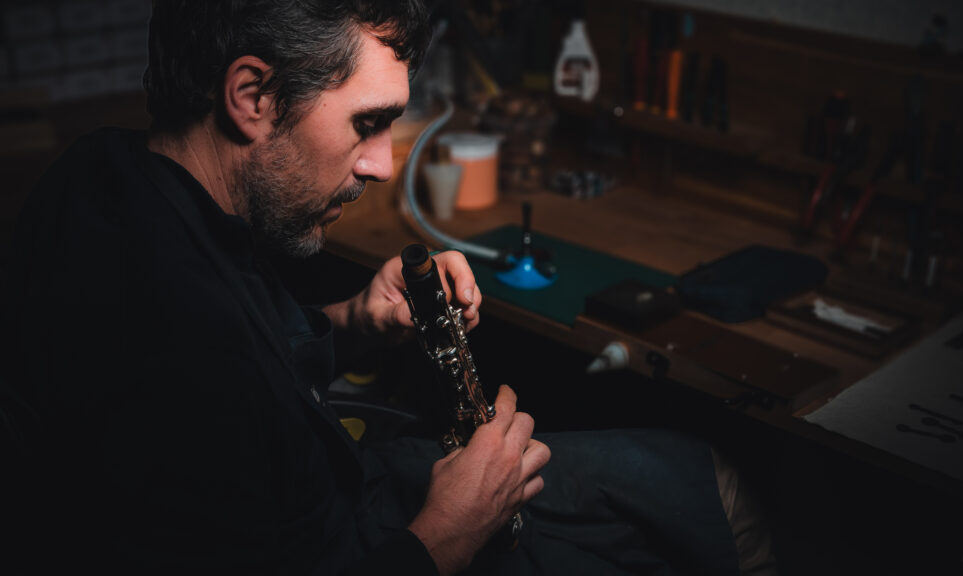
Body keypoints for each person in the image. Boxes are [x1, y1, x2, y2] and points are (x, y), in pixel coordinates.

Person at [0, 1, 775, 574]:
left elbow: (256, 357)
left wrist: (357, 321)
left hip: (348, 496)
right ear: (253, 97)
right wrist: (448, 529)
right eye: (367, 123)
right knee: (712, 510)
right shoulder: (178, 344)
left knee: (703, 479)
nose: (382, 164)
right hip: (386, 545)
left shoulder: (109, 175)